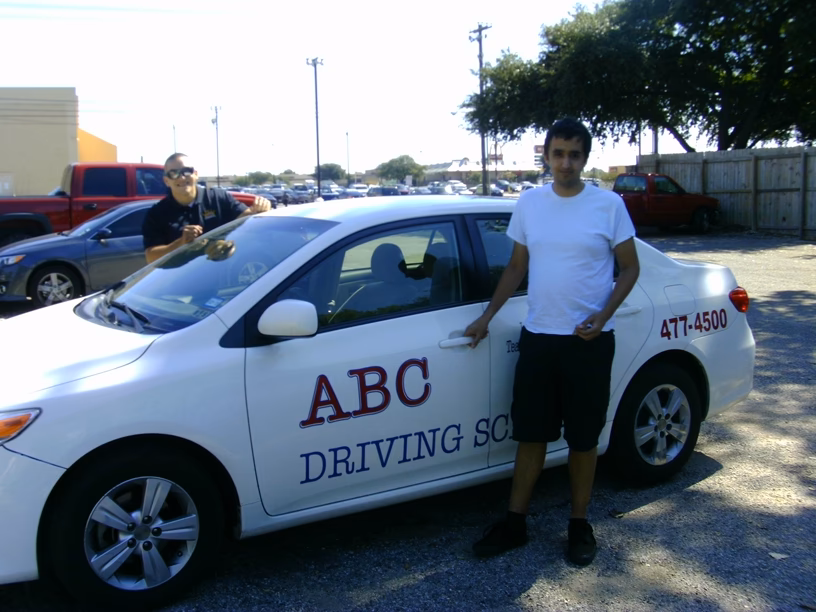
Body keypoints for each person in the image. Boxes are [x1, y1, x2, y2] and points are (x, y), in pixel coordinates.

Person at [465, 118, 640, 566]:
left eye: (575, 155)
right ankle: (515, 522)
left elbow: (630, 268)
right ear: (545, 155)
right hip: (539, 337)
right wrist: (487, 316)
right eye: (558, 153)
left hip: (588, 342)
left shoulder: (608, 205)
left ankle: (579, 524)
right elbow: (516, 267)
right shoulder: (529, 203)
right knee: (531, 434)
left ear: (585, 158)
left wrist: (603, 316)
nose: (566, 163)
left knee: (583, 439)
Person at [142, 153, 272, 263]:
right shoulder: (157, 213)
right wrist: (181, 243)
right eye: (174, 173)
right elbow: (151, 256)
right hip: (180, 283)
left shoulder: (217, 198)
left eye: (186, 171)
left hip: (223, 276)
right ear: (166, 181)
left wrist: (261, 207)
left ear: (196, 175)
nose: (181, 177)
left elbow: (246, 218)